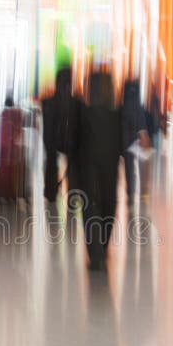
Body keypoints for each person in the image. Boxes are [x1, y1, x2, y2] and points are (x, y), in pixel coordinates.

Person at [78, 72, 122, 271]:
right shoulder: (116, 115)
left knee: (89, 208)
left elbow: (75, 143)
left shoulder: (84, 114)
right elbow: (123, 144)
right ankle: (102, 247)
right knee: (108, 205)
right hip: (110, 166)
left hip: (87, 166)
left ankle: (95, 253)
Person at [42, 67, 82, 202]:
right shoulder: (76, 103)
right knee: (73, 166)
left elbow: (47, 127)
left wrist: (47, 143)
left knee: (51, 163)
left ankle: (50, 192)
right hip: (71, 141)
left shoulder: (48, 103)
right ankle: (72, 194)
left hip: (53, 140)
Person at [0, 95, 27, 202]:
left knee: (3, 168)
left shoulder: (3, 113)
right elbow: (20, 129)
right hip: (13, 145)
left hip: (3, 145)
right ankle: (10, 194)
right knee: (12, 170)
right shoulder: (18, 113)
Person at [120, 78, 148, 204]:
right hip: (134, 140)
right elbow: (141, 122)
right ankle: (136, 192)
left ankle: (130, 192)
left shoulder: (123, 105)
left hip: (124, 140)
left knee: (128, 167)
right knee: (135, 167)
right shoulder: (138, 106)